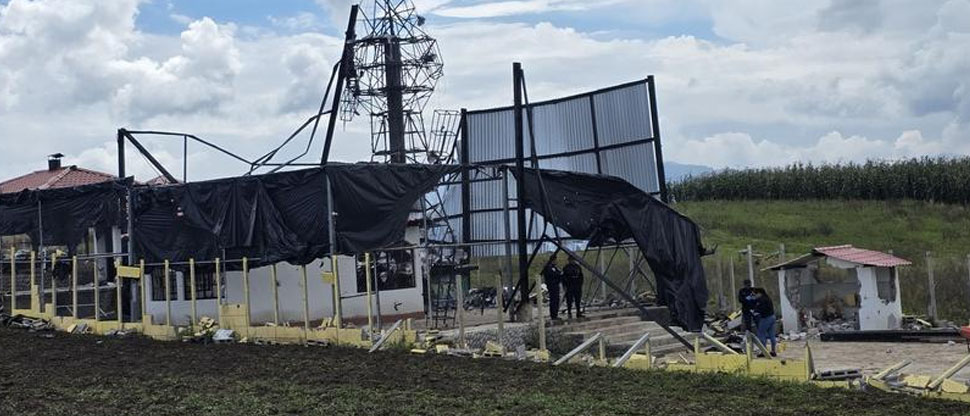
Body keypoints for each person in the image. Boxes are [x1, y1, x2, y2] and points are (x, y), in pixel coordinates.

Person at [752, 288, 778, 356]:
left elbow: (761, 308)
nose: (755, 296)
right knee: (772, 335)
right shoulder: (768, 298)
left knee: (761, 334)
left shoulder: (761, 300)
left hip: (766, 318)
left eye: (755, 294)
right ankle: (773, 351)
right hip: (772, 317)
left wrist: (755, 311)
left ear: (759, 293)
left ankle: (764, 351)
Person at [541, 255, 563, 320]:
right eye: (555, 260)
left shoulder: (554, 267)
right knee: (554, 300)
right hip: (552, 285)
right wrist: (558, 275)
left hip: (556, 285)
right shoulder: (548, 268)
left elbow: (559, 273)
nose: (556, 261)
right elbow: (554, 275)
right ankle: (553, 315)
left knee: (556, 300)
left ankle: (555, 314)